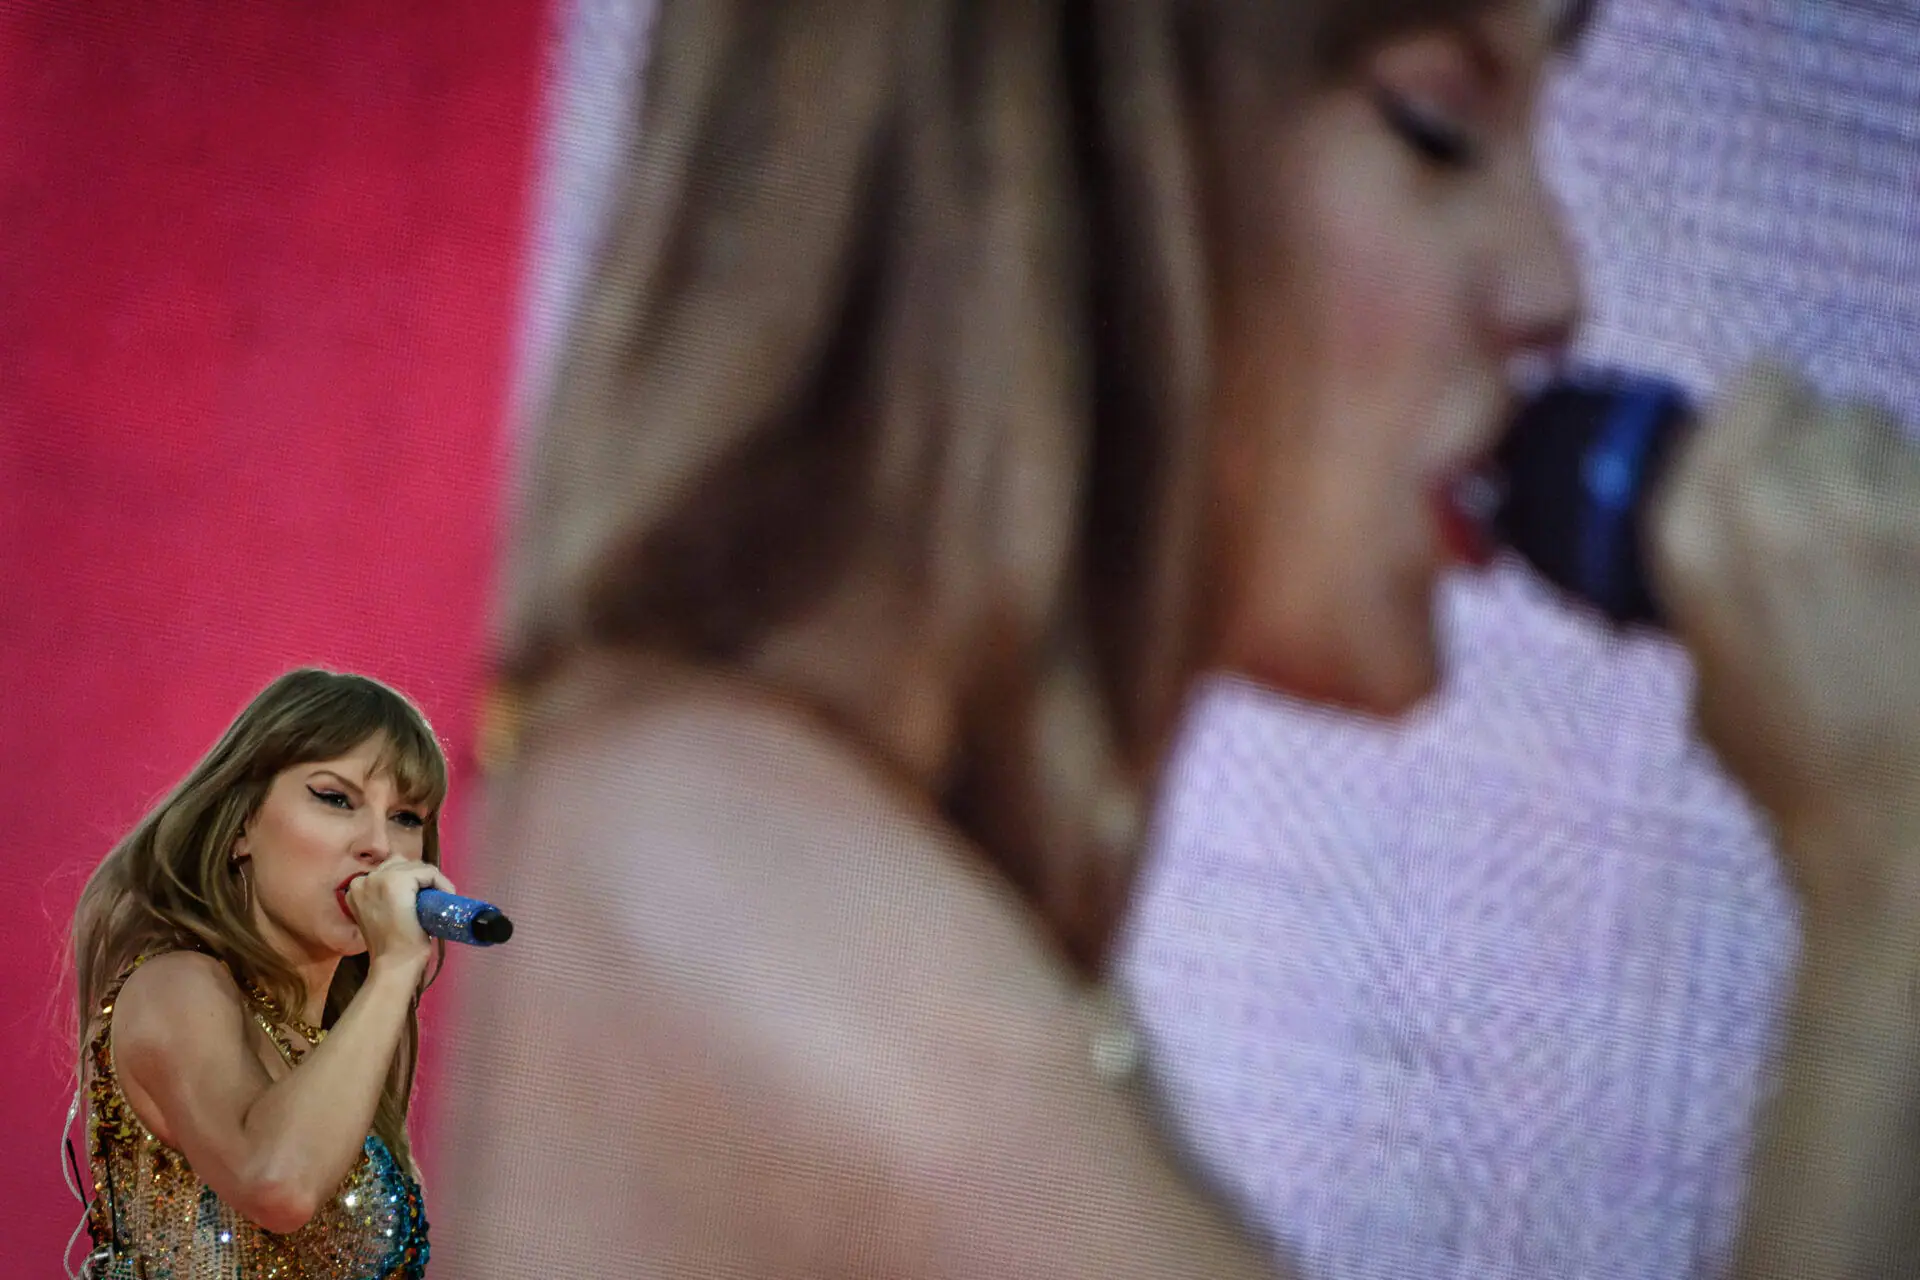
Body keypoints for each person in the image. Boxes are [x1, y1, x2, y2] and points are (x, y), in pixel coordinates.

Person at [439, 0, 1920, 1276]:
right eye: (1434, 124)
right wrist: (1888, 871)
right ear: (1082, 153)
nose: (1553, 286)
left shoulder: (788, 855)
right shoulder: (726, 882)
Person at [66, 668, 454, 1280]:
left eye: (407, 817)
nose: (380, 845)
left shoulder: (340, 1040)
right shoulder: (177, 986)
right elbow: (277, 1182)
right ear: (242, 824)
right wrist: (398, 965)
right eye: (336, 799)